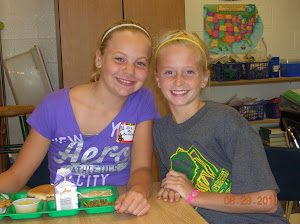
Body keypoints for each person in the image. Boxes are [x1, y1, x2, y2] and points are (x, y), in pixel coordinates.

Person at [0, 20, 160, 216]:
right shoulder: (53, 106)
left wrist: (137, 192)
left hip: (119, 211)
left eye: (140, 63)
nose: (129, 70)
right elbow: (16, 177)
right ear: (99, 59)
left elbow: (142, 168)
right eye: (119, 59)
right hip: (64, 213)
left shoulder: (142, 100)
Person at [152, 30, 289, 223]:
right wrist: (171, 189)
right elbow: (175, 188)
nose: (178, 81)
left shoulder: (227, 122)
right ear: (157, 78)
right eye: (169, 72)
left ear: (204, 78)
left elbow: (267, 201)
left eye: (189, 71)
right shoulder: (160, 131)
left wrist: (194, 195)